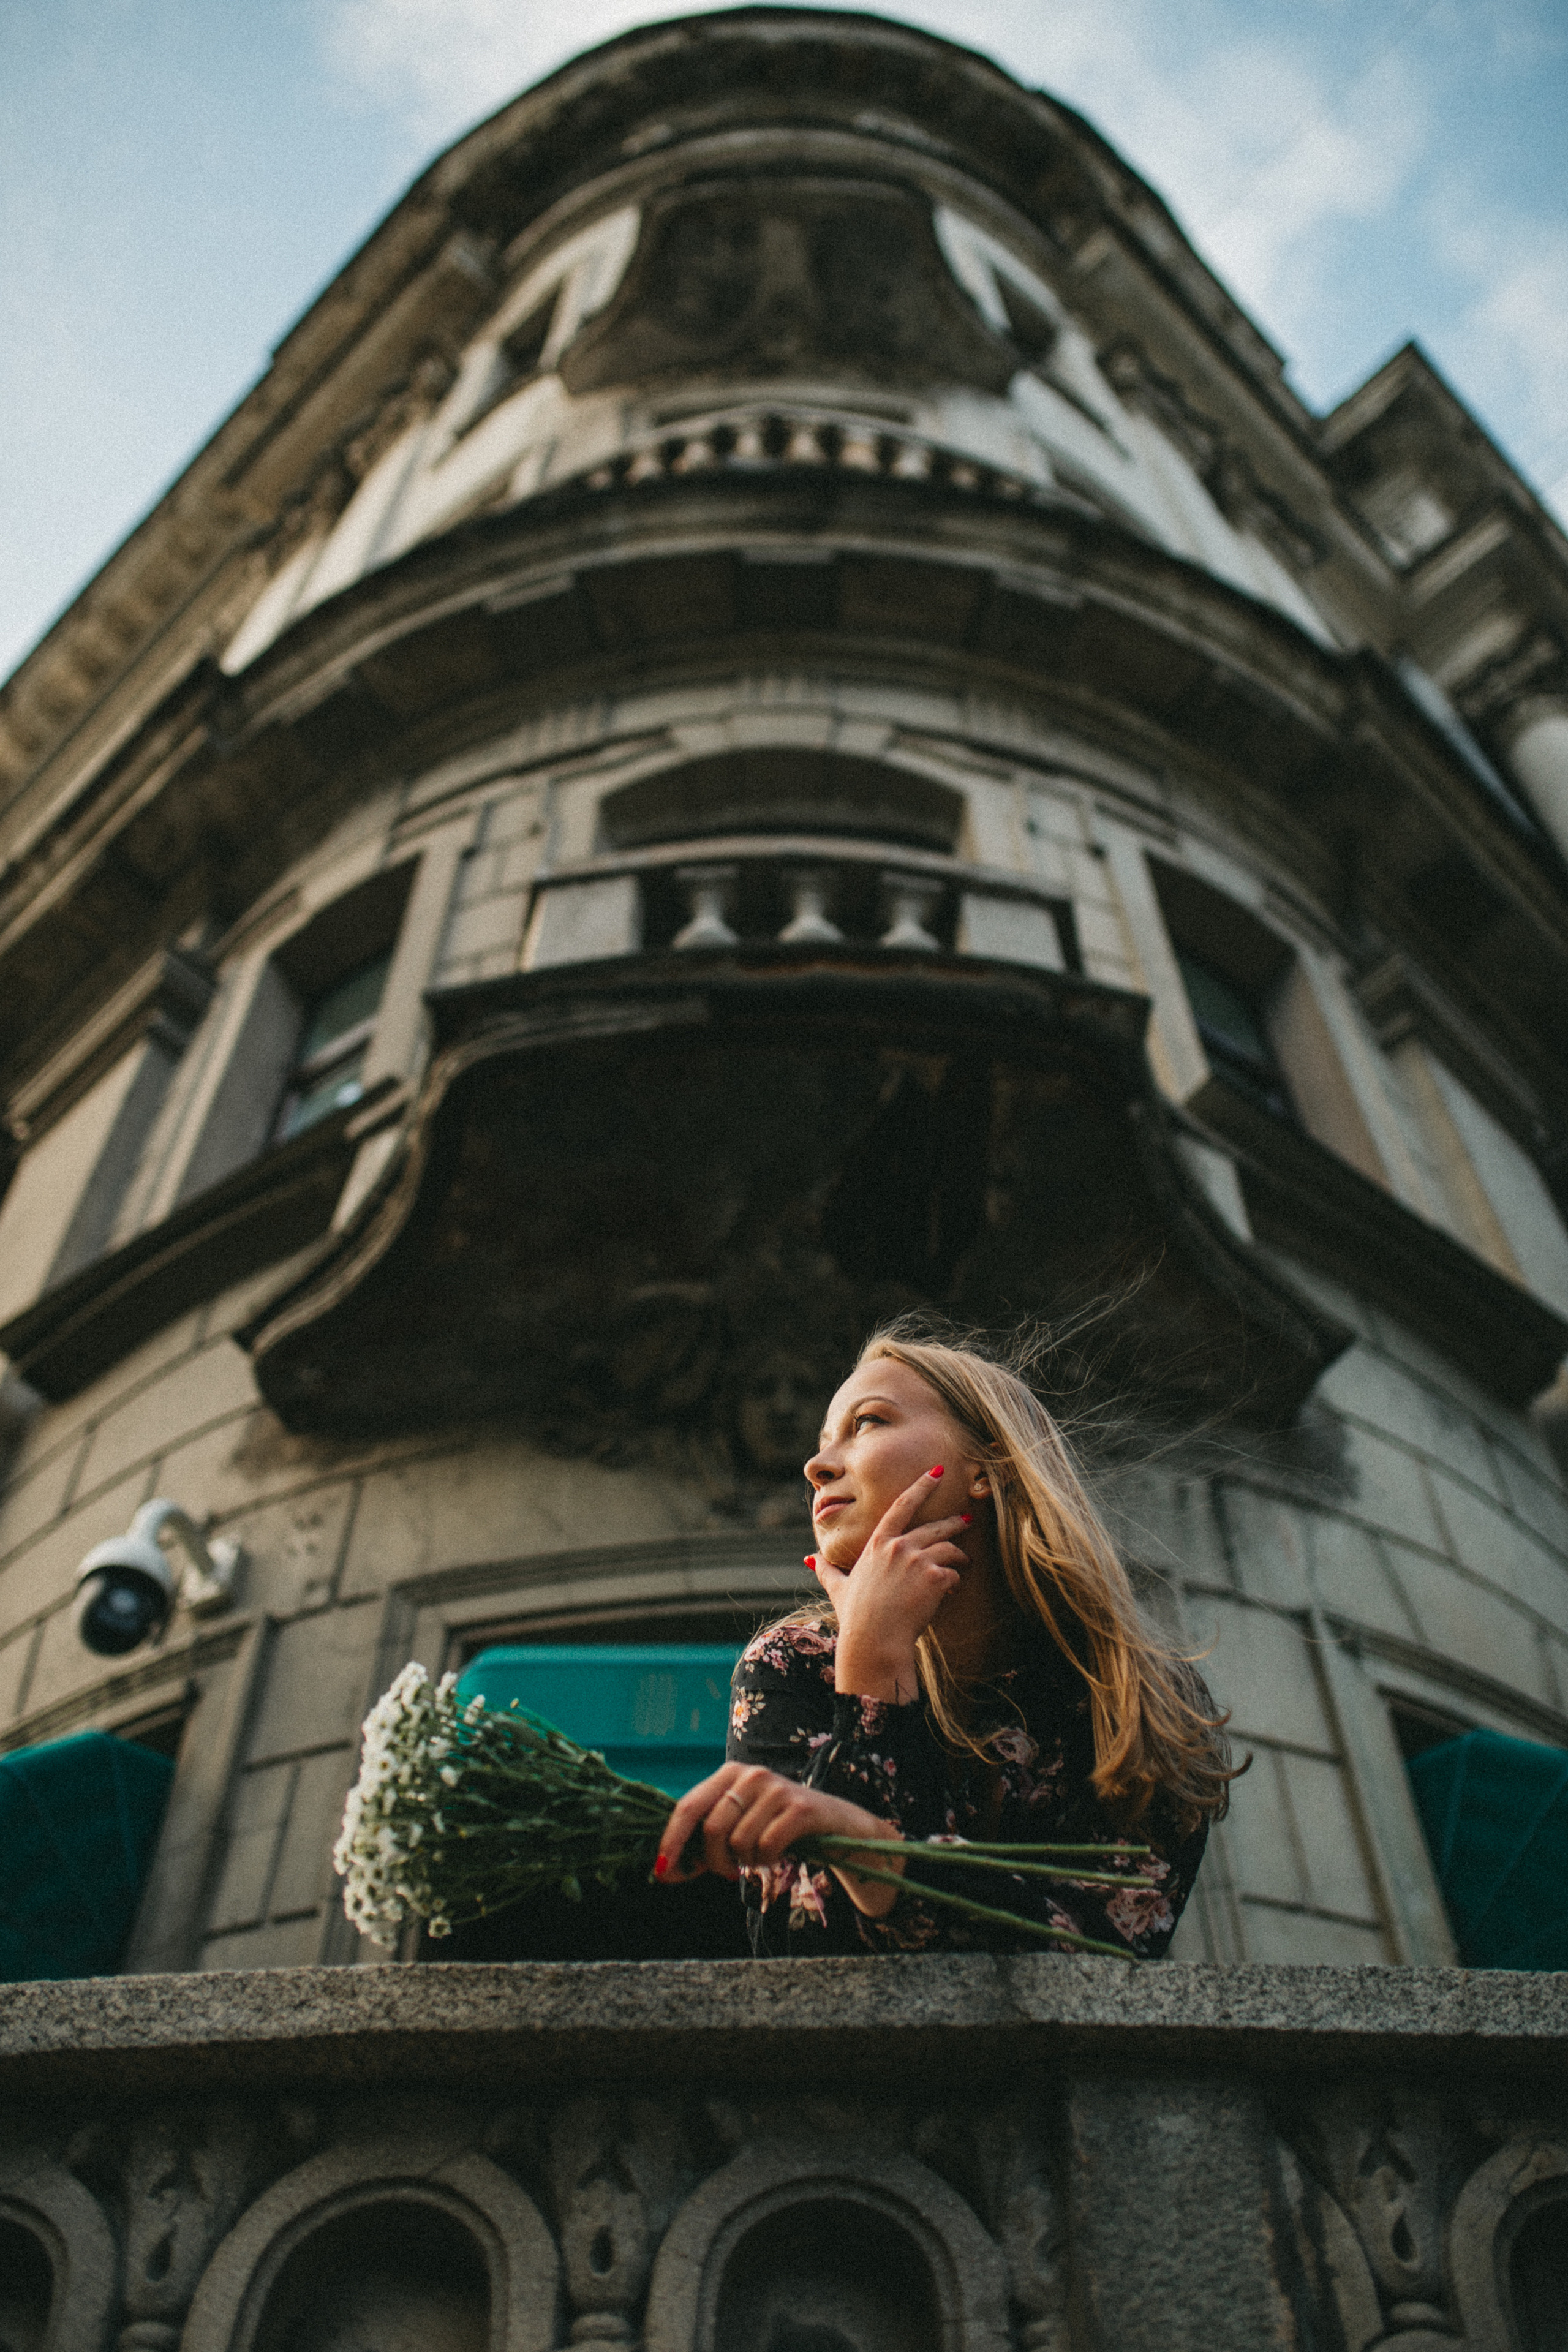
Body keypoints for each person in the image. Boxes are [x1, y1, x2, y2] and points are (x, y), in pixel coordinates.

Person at [654, 1327, 1240, 1958]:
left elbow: (1105, 1955)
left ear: (988, 1468)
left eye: (869, 1423)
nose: (815, 1466)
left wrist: (878, 1851)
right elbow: (800, 1963)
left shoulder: (1135, 1695)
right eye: (824, 1443)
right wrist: (872, 1668)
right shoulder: (791, 1665)